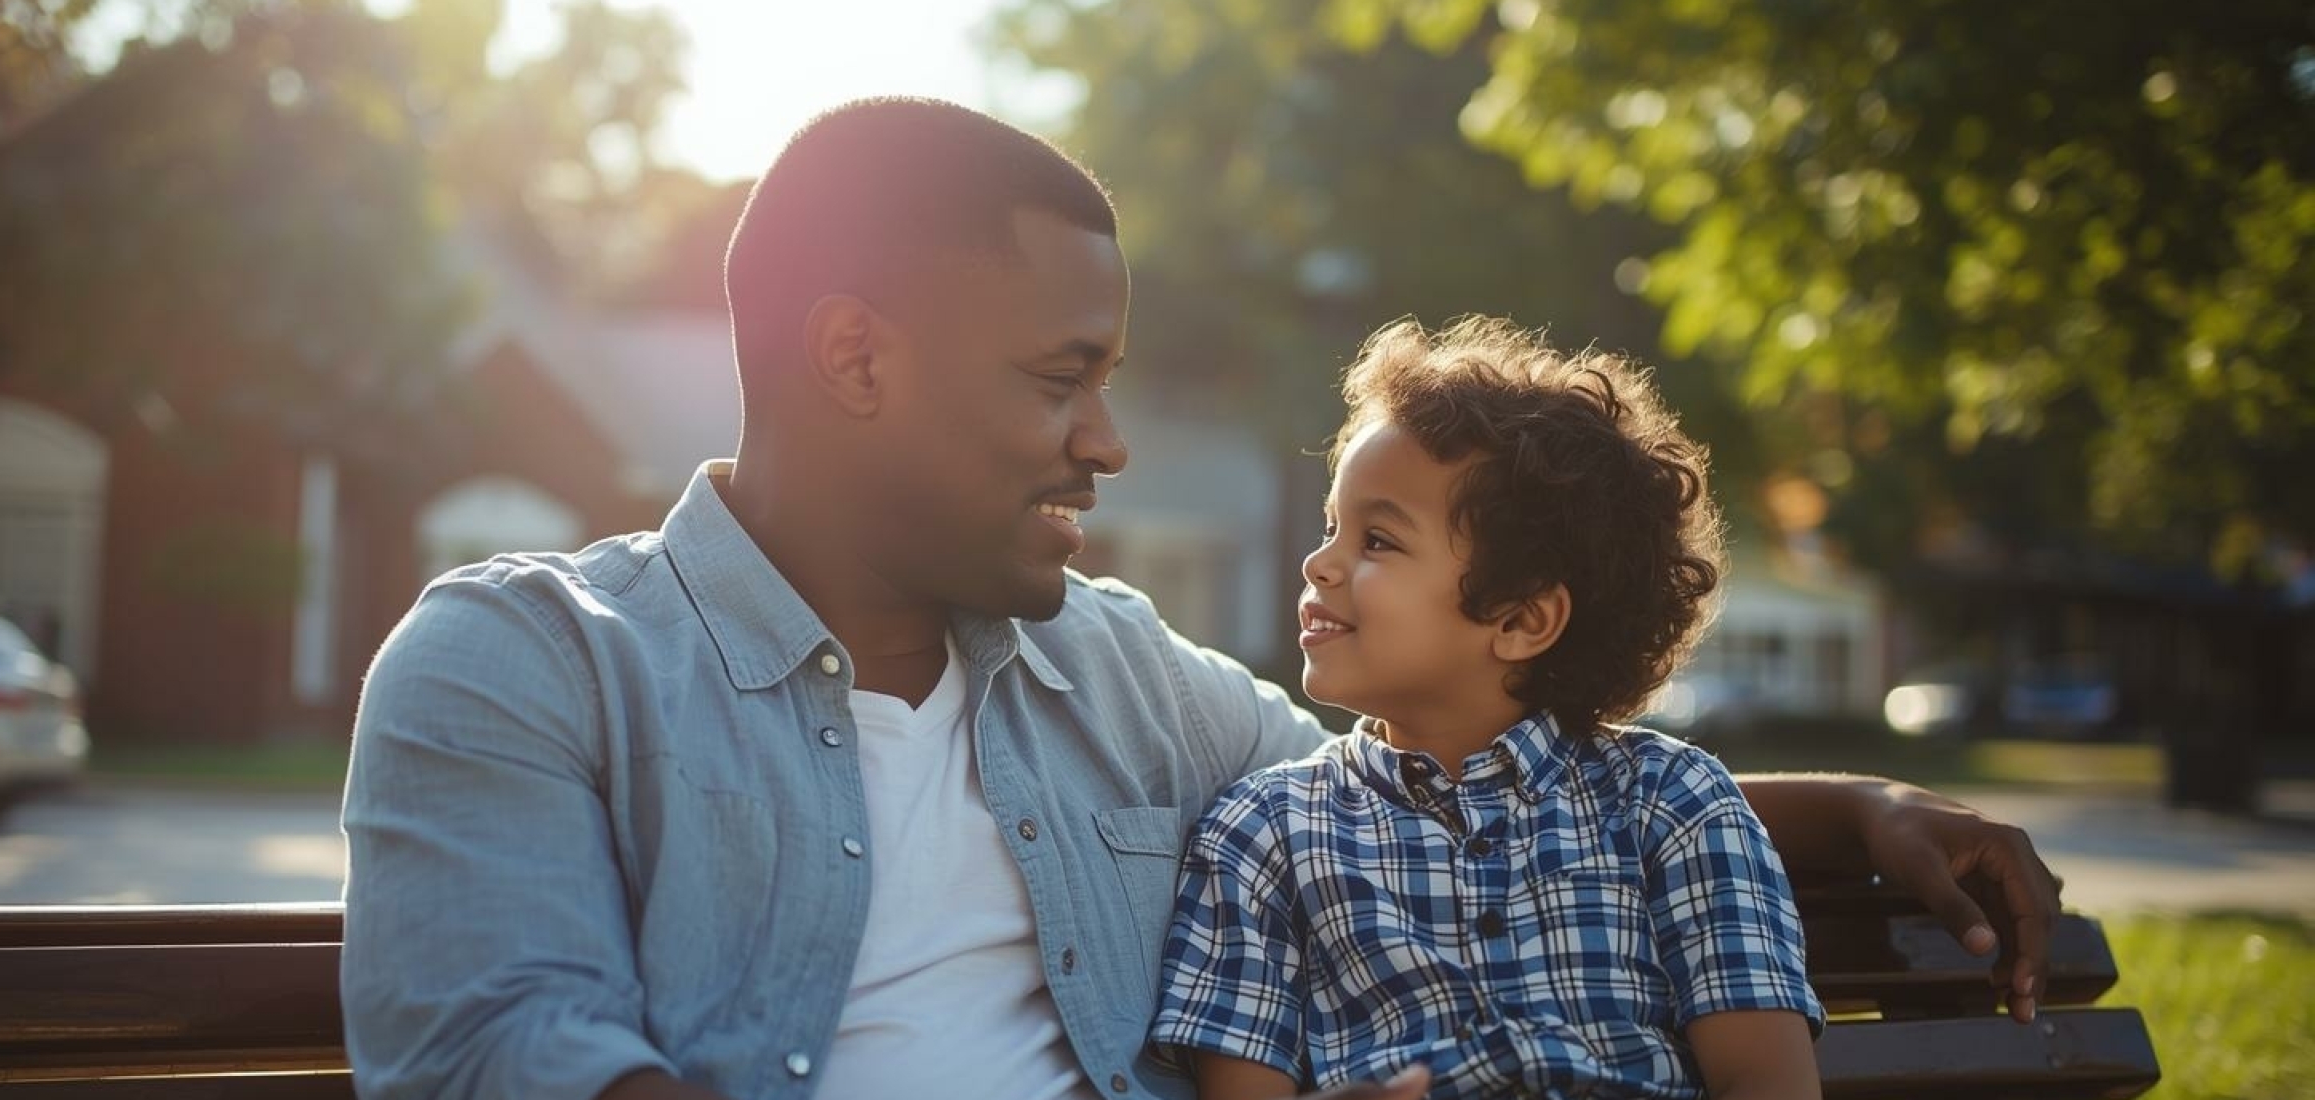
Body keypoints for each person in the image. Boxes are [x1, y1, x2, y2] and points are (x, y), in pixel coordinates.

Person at [339, 97, 2060, 1100]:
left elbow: (1463, 774)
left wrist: (1850, 806)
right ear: (853, 357)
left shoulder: (1117, 677)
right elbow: (505, 1046)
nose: (1106, 441)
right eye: (1058, 377)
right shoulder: (523, 664)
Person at [1153, 317, 1818, 1100]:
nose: (1319, 562)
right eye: (1334, 525)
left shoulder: (1674, 806)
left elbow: (1764, 1081)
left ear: (1521, 621)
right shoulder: (1263, 835)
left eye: (1379, 541)